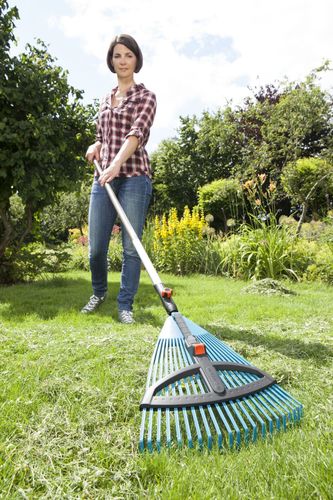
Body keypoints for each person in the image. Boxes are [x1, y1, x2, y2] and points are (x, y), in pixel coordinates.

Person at [81, 34, 157, 323]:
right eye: (117, 55)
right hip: (104, 180)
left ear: (136, 59)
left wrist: (115, 163)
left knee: (130, 246)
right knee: (96, 248)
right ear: (111, 61)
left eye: (128, 55)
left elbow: (136, 134)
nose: (123, 61)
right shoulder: (104, 97)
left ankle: (125, 304)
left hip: (134, 177)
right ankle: (99, 292)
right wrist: (95, 145)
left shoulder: (146, 97)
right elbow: (103, 135)